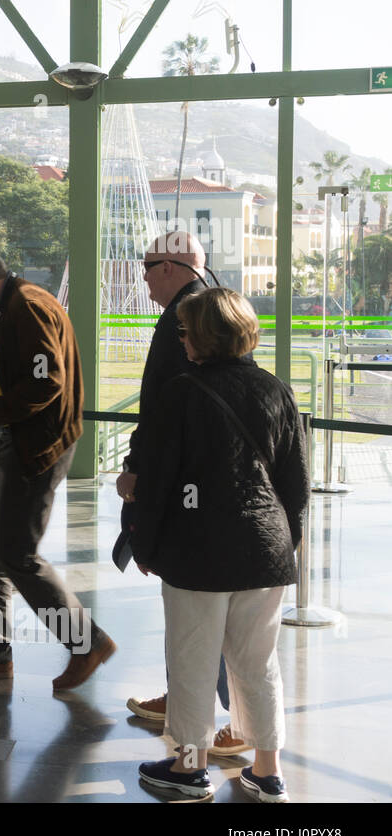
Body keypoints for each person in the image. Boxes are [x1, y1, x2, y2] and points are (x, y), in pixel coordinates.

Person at [132, 288, 309, 802]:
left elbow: (160, 479)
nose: (180, 338)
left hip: (198, 551)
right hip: (266, 551)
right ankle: (268, 771)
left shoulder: (181, 393)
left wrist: (146, 542)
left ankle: (189, 768)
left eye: (185, 330)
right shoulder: (276, 390)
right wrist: (283, 543)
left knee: (193, 658)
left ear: (204, 335)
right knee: (258, 663)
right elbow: (295, 485)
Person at [0, 243, 117, 690]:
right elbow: (28, 368)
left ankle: (86, 643)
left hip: (34, 447)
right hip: (15, 442)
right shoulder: (17, 303)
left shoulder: (28, 307)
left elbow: (45, 379)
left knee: (17, 554)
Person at [117, 233, 242, 755]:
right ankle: (197, 702)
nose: (142, 274)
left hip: (189, 490)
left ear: (173, 267)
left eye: (148, 265)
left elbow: (166, 410)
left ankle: (222, 723)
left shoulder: (184, 320)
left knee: (199, 606)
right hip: (216, 492)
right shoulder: (208, 305)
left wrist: (138, 474)